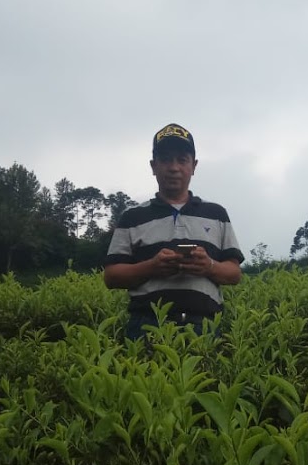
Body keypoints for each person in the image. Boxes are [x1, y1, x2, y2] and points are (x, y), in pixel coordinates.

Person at [104, 123, 244, 340]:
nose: (174, 167)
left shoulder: (217, 214)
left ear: (194, 166)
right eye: (166, 159)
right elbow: (112, 277)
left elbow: (234, 274)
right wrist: (152, 267)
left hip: (204, 326)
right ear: (153, 166)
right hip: (146, 326)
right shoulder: (132, 217)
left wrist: (208, 266)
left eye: (182, 160)